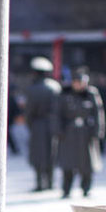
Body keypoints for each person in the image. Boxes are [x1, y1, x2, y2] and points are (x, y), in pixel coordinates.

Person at [55, 67, 104, 199]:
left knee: (87, 164)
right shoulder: (64, 94)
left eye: (81, 82)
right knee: (67, 164)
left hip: (86, 133)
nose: (78, 85)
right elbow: (57, 114)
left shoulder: (91, 94)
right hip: (69, 133)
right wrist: (58, 131)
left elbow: (98, 114)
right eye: (76, 82)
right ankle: (66, 189)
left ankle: (86, 188)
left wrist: (97, 132)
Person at [24, 56, 61, 191]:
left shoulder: (32, 89)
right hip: (53, 124)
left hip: (38, 124)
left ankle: (40, 183)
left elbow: (29, 111)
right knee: (51, 153)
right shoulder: (55, 87)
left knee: (38, 154)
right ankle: (50, 182)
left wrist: (30, 125)